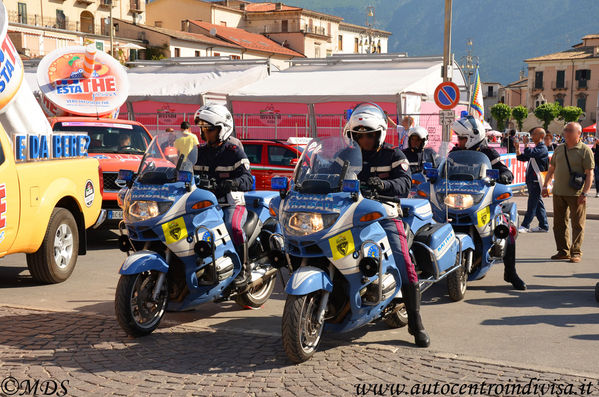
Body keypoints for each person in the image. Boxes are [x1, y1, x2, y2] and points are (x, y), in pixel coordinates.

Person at [344, 102, 429, 348]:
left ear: (379, 134)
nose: (364, 140)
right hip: (350, 213)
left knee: (403, 260)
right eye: (359, 135)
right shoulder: (346, 156)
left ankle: (415, 321)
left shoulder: (394, 155)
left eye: (368, 135)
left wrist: (384, 186)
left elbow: (405, 183)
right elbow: (327, 174)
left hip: (385, 214)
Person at [450, 115, 526, 290]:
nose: (459, 141)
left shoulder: (488, 153)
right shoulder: (454, 153)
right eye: (459, 138)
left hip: (483, 200)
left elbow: (505, 171)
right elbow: (445, 169)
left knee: (506, 230)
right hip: (459, 199)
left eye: (462, 138)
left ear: (472, 137)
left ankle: (510, 272)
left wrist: (504, 175)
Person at [193, 104, 254, 286]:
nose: (205, 133)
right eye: (203, 128)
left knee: (232, 226)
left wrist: (233, 183)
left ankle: (244, 269)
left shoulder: (234, 152)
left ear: (222, 129)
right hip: (203, 204)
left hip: (230, 203)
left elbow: (248, 180)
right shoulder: (198, 152)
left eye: (209, 129)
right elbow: (182, 171)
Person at [542, 122, 595, 263]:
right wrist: (545, 185)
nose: (566, 132)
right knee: (559, 224)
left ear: (578, 133)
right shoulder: (559, 149)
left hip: (576, 194)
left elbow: (590, 174)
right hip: (558, 192)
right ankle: (562, 251)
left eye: (569, 130)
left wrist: (585, 193)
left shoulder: (585, 150)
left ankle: (576, 252)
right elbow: (551, 169)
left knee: (577, 224)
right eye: (565, 130)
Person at [516, 127, 549, 233]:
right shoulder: (536, 148)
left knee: (532, 203)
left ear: (541, 136)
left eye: (534, 134)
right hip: (532, 179)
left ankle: (525, 225)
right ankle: (543, 225)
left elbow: (530, 153)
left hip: (537, 180)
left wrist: (525, 145)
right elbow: (523, 157)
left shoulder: (542, 148)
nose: (531, 136)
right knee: (538, 203)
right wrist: (517, 148)